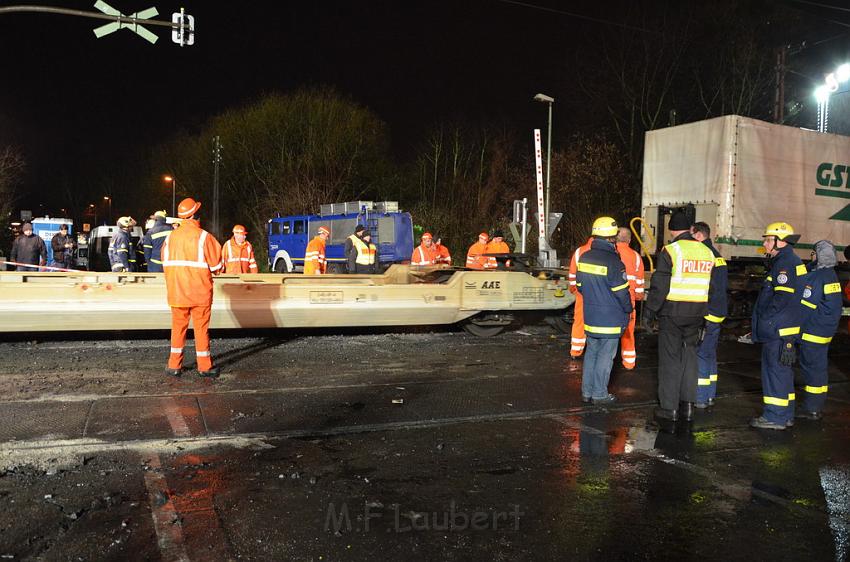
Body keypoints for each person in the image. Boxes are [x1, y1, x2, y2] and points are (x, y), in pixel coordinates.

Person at [643, 211, 715, 423]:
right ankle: (688, 406)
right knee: (690, 358)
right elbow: (710, 286)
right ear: (690, 229)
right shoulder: (707, 251)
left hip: (673, 312)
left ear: (672, 230)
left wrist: (649, 312)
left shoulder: (671, 250)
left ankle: (669, 408)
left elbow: (660, 285)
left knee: (670, 360)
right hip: (698, 312)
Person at [749, 222, 805, 430]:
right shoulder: (790, 260)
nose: (764, 243)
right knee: (783, 372)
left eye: (768, 239)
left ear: (780, 242)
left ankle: (775, 417)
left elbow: (781, 297)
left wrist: (766, 320)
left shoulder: (784, 264)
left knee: (774, 372)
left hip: (777, 329)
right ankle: (785, 414)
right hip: (786, 328)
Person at [162, 197, 223, 377]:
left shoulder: (170, 237)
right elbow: (218, 267)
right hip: (199, 295)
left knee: (177, 328)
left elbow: (164, 263)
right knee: (201, 329)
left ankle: (174, 366)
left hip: (177, 293)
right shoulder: (204, 237)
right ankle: (204, 367)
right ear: (195, 215)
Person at [575, 217, 633, 404]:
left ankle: (587, 392)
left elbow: (580, 286)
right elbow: (622, 293)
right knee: (606, 357)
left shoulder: (584, 257)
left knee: (591, 353)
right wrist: (628, 310)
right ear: (612, 238)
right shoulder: (614, 262)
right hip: (610, 318)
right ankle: (599, 394)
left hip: (590, 316)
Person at [796, 240, 843, 421]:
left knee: (811, 370)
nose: (811, 257)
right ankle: (817, 404)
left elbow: (805, 306)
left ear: (819, 256)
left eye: (813, 254)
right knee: (820, 369)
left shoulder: (818, 277)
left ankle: (811, 409)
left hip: (812, 332)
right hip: (825, 331)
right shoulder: (831, 275)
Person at [691, 222, 728, 408]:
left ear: (698, 235)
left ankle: (700, 397)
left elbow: (707, 287)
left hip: (707, 312)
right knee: (710, 354)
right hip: (718, 311)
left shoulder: (704, 255)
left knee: (701, 355)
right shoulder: (718, 256)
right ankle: (710, 394)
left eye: (691, 235)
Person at [616, 226, 645, 370]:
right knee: (628, 332)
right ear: (629, 239)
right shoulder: (636, 256)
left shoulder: (611, 253)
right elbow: (639, 283)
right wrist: (638, 297)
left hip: (611, 300)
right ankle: (629, 362)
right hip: (629, 301)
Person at [567, 237, 594, 358]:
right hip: (600, 293)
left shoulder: (579, 251)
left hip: (582, 292)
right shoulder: (607, 252)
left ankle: (576, 351)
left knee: (579, 320)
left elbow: (572, 274)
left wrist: (574, 289)